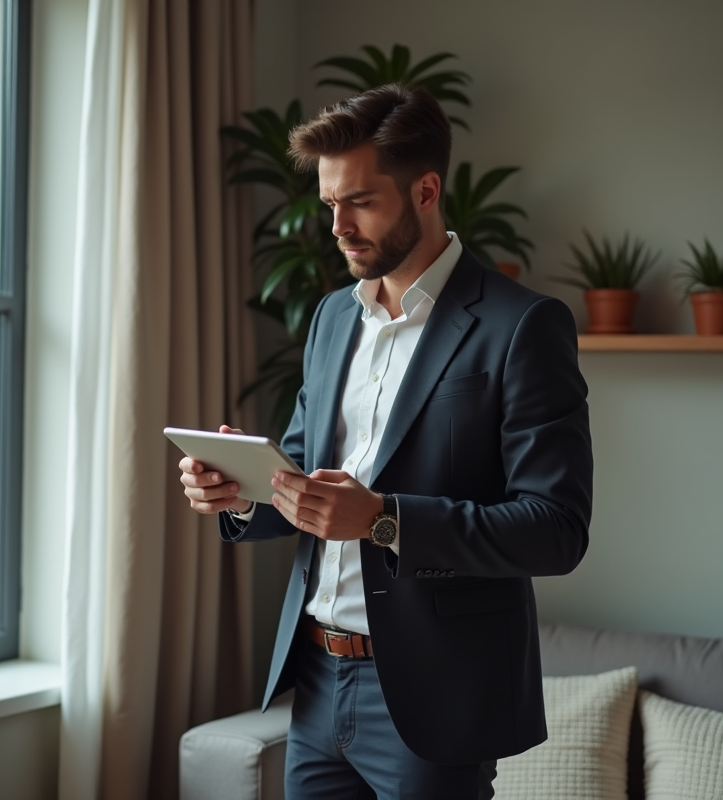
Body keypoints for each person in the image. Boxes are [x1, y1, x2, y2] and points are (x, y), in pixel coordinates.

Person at [178, 83, 593, 800]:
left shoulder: (524, 326)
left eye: (359, 202)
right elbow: (308, 484)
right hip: (314, 679)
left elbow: (556, 530)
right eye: (329, 203)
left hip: (438, 694)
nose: (336, 226)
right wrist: (239, 492)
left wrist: (381, 518)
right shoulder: (334, 317)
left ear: (426, 190)